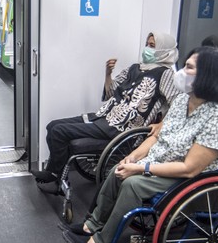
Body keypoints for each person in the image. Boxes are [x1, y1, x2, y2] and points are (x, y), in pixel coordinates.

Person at [62, 46, 218, 243]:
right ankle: (92, 225)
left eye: (189, 67)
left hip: (183, 177)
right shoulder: (183, 100)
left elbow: (189, 168)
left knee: (132, 184)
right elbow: (157, 136)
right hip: (157, 162)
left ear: (208, 75)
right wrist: (134, 156)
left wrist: (140, 168)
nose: (182, 71)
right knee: (117, 171)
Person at [32, 32, 180, 193]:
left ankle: (55, 177)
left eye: (152, 46)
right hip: (105, 116)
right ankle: (54, 173)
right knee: (52, 126)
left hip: (122, 128)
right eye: (147, 44)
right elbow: (111, 92)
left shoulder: (166, 74)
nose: (147, 49)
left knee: (59, 131)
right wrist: (108, 74)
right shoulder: (135, 68)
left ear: (164, 50)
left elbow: (178, 103)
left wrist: (161, 123)